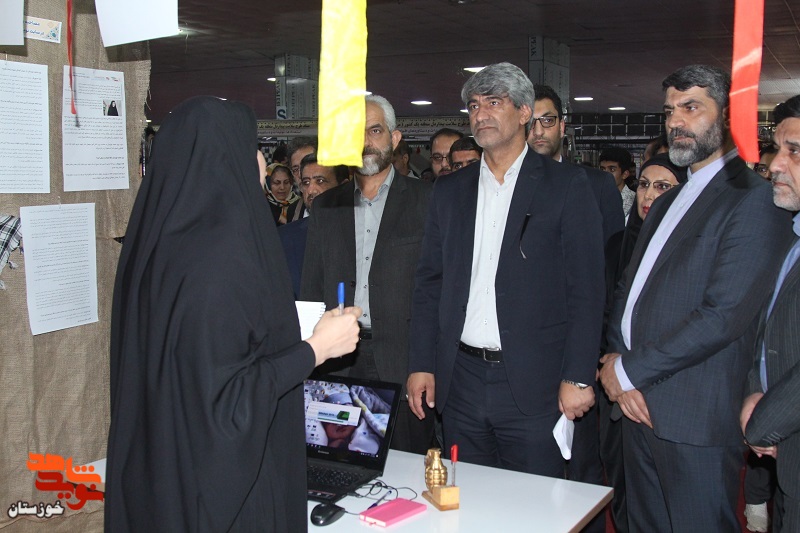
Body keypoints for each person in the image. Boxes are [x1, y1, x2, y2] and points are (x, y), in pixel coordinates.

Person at [105, 96, 361, 532]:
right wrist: (316, 349)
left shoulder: (155, 248)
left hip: (162, 473)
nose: (261, 161)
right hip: (227, 494)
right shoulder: (222, 258)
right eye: (252, 147)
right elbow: (227, 402)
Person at [598, 65, 792, 532]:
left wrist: (628, 371)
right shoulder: (667, 200)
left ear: (726, 115)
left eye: (691, 108)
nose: (676, 122)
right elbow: (627, 292)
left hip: (693, 416)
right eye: (669, 111)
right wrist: (618, 365)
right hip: (636, 405)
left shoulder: (753, 199)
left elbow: (722, 316)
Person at [407, 62, 605, 477]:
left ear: (524, 112)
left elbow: (586, 290)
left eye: (494, 103)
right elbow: (430, 283)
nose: (480, 114)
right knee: (470, 498)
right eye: (474, 106)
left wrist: (578, 376)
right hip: (461, 381)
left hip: (536, 383)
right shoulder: (450, 190)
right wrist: (422, 362)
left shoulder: (565, 186)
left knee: (534, 502)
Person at [301, 94, 434, 454]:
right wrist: (310, 356)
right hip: (338, 358)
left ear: (394, 138)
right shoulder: (327, 205)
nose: (364, 142)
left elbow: (438, 289)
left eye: (374, 131)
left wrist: (427, 363)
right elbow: (311, 287)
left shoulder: (428, 200)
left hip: (404, 359)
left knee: (406, 464)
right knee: (339, 460)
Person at [741, 94, 800, 533]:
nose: (776, 165)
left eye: (794, 151)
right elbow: (769, 331)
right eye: (778, 149)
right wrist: (754, 391)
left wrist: (764, 423)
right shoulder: (791, 235)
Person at [279, 154, 349, 298]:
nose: (311, 190)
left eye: (320, 181)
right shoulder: (284, 238)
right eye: (306, 182)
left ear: (343, 187)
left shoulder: (360, 235)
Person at [599, 146, 636, 219]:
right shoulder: (596, 198)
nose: (605, 174)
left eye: (612, 170)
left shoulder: (634, 202)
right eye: (602, 169)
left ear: (625, 174)